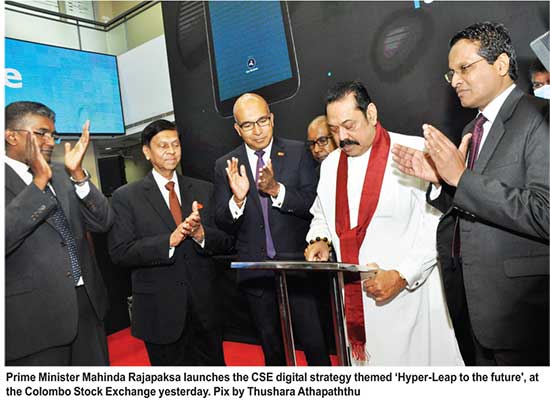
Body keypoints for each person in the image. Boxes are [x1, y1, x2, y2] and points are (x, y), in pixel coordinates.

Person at [392, 22, 549, 365]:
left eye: (465, 68)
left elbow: (544, 212)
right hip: (474, 309)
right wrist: (442, 183)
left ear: (501, 64)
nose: (455, 81)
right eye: (451, 73)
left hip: (524, 316)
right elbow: (474, 206)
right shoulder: (471, 130)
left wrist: (461, 178)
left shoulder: (541, 117)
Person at [305, 81, 463, 366]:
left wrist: (402, 275)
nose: (342, 137)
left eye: (349, 125)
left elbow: (438, 225)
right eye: (334, 129)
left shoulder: (414, 152)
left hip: (412, 301)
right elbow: (322, 214)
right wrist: (320, 239)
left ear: (371, 114)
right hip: (357, 305)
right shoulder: (329, 166)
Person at [214, 93, 330, 366]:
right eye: (248, 125)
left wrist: (277, 190)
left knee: (316, 347)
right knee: (272, 352)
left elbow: (313, 205)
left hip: (298, 269)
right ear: (237, 129)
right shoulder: (225, 165)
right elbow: (221, 221)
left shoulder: (298, 152)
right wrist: (238, 200)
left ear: (272, 118)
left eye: (262, 121)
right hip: (255, 274)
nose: (257, 130)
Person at [108, 120, 233, 366]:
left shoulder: (204, 189)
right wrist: (169, 241)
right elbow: (120, 252)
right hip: (160, 313)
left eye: (175, 144)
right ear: (147, 152)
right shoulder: (126, 197)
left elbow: (227, 241)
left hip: (205, 310)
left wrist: (201, 235)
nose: (171, 151)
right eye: (163, 145)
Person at [5, 101, 113, 365]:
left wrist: (78, 176)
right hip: (33, 322)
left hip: (87, 306)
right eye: (41, 133)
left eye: (53, 135)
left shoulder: (63, 175)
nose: (50, 142)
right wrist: (39, 182)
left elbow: (103, 222)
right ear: (11, 136)